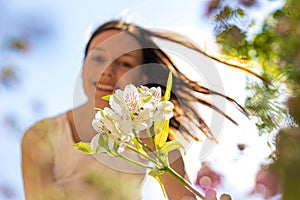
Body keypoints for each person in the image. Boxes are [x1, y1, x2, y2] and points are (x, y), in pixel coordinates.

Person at [22, 20, 241, 200]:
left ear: (142, 78)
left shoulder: (152, 131)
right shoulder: (41, 135)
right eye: (98, 58)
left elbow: (182, 196)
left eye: (125, 63)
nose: (107, 71)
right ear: (83, 66)